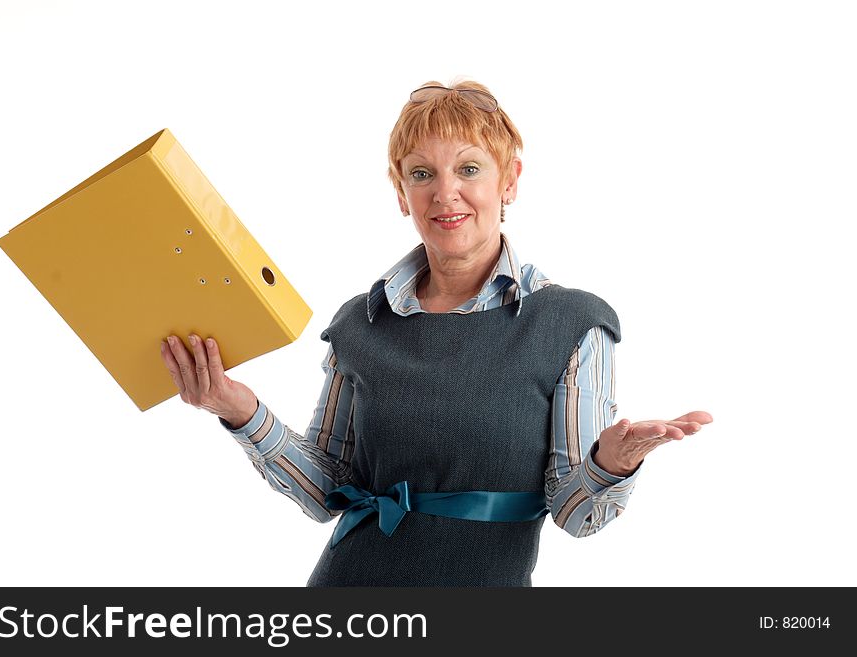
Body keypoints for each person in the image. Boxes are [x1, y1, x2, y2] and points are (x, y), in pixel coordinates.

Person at [159, 79, 713, 586]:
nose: (445, 193)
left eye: (469, 169)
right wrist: (236, 407)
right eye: (422, 174)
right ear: (402, 192)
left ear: (510, 180)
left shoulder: (571, 323)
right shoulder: (361, 323)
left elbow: (575, 514)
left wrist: (613, 462)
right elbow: (325, 491)